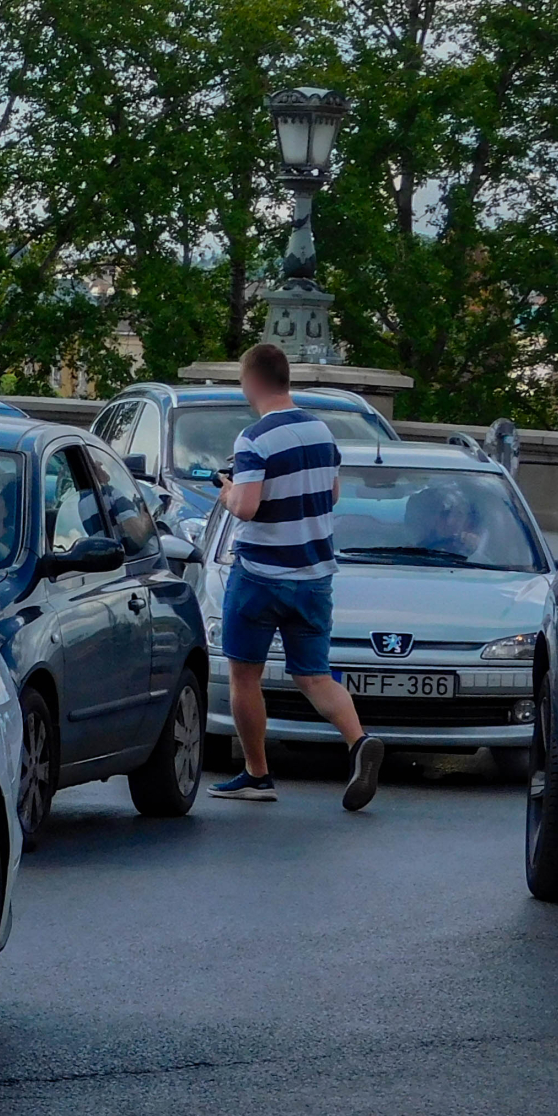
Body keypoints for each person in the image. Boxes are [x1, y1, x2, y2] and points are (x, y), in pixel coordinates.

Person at [210, 341, 383, 810]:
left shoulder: (253, 439)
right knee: (314, 675)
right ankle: (358, 740)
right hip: (314, 573)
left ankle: (256, 774)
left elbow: (246, 508)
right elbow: (331, 496)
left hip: (261, 574)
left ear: (252, 381)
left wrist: (227, 491)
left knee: (245, 674)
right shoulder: (322, 432)